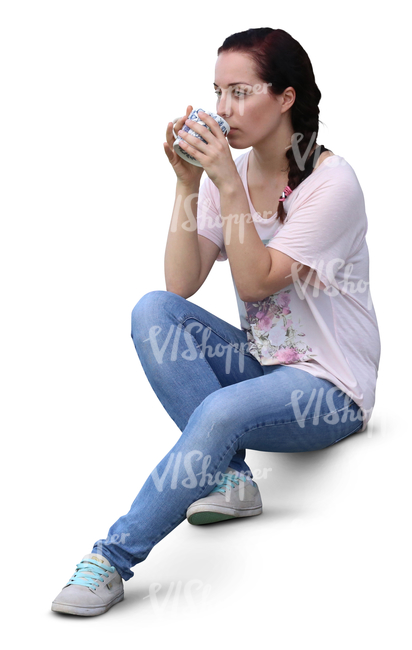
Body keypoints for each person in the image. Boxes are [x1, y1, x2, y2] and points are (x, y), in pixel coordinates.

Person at [51, 27, 381, 617]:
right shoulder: (230, 172)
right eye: (216, 91)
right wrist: (187, 182)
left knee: (220, 411)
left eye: (239, 91)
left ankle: (112, 558)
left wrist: (225, 181)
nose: (222, 109)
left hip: (329, 389)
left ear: (284, 98)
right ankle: (230, 479)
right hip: (261, 365)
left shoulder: (331, 183)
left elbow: (255, 280)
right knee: (153, 310)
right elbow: (181, 284)